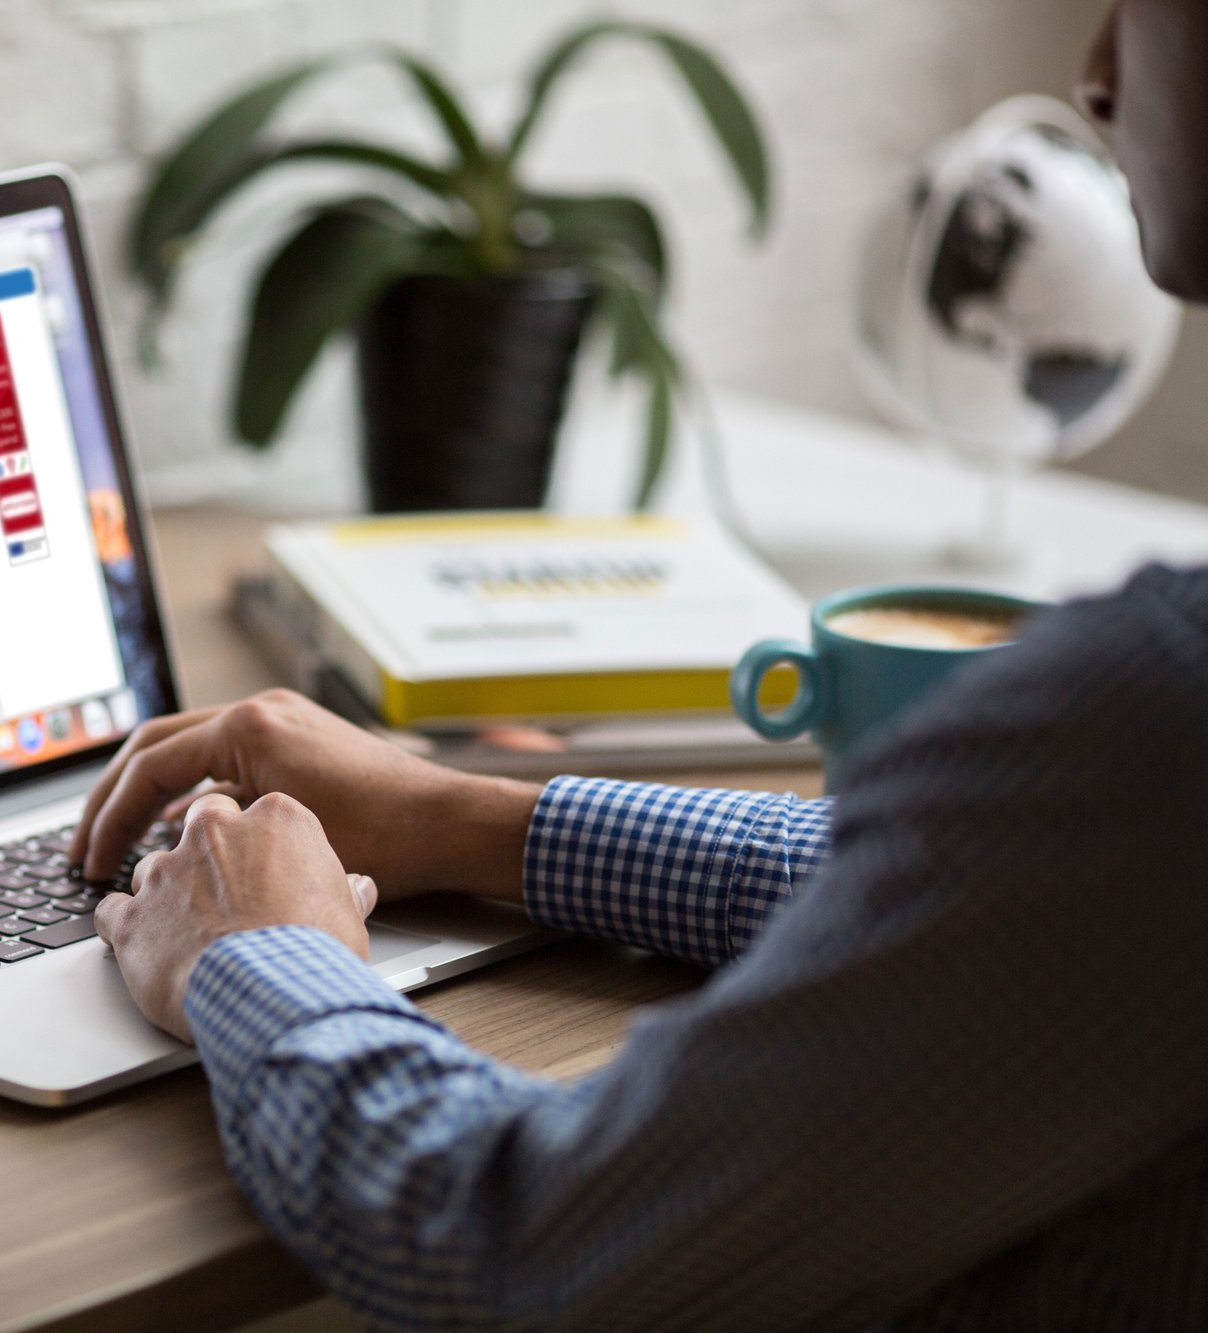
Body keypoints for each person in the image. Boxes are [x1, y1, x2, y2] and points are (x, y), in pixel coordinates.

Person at [72, 3, 1208, 1327]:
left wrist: (255, 952)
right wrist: (471, 815)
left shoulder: (1155, 711)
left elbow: (519, 1246)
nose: (1096, 74)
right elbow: (999, 894)